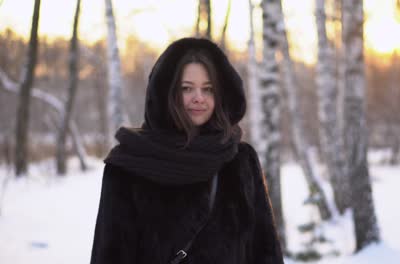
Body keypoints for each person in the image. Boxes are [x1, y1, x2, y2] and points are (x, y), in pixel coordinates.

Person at [90, 37, 284, 264]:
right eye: (186, 88)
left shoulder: (240, 161)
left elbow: (264, 251)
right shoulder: (128, 166)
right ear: (167, 93)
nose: (199, 98)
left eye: (208, 89)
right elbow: (110, 256)